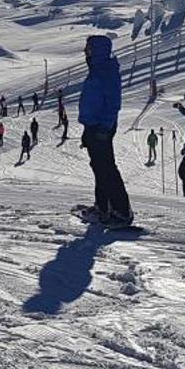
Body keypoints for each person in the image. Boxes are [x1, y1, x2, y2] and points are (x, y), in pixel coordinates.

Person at [75, 34, 131, 226]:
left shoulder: (106, 71)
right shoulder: (98, 69)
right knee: (99, 167)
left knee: (106, 168)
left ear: (97, 50)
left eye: (88, 48)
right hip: (94, 125)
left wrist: (104, 128)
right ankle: (103, 207)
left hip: (101, 126)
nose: (85, 51)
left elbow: (113, 103)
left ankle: (121, 211)